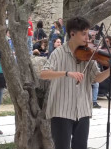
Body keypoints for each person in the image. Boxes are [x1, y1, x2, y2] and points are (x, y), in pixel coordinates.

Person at [40, 16, 110, 149]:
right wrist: (67, 73)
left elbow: (97, 78)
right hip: (61, 111)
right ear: (72, 33)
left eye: (88, 34)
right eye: (83, 34)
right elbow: (44, 74)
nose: (87, 38)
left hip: (82, 110)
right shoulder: (58, 53)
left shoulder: (89, 53)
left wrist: (109, 71)